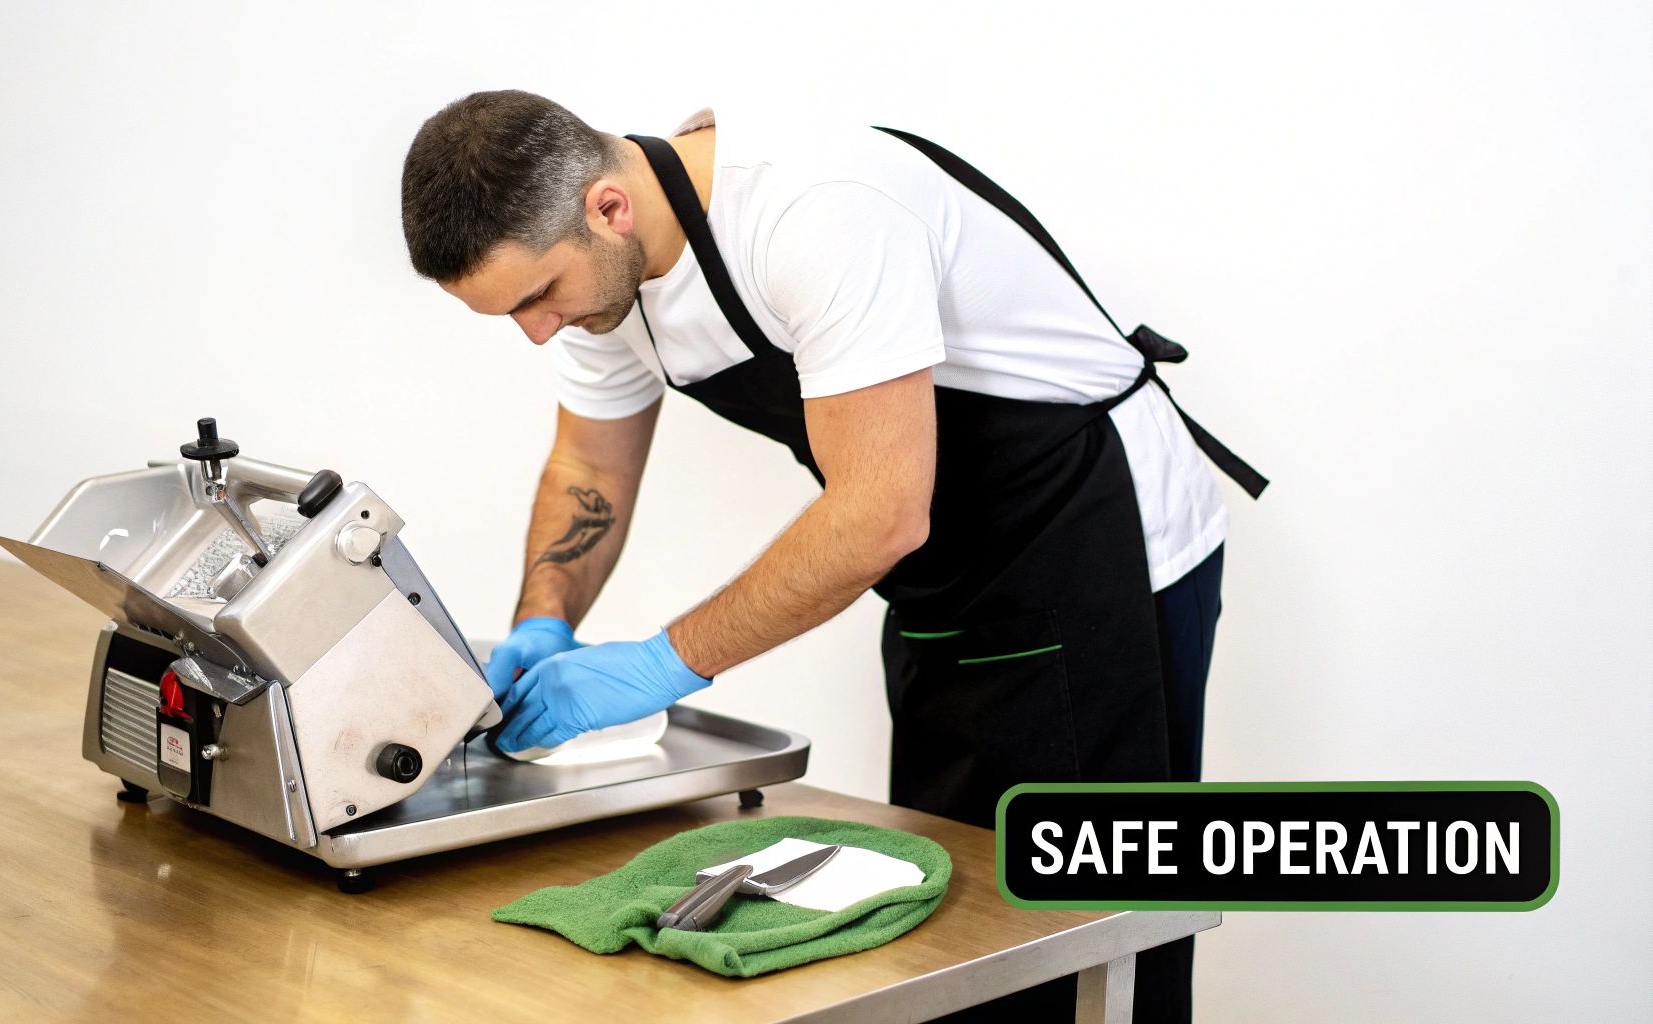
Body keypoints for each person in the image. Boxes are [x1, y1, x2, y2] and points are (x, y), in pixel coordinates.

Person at [400, 90, 1263, 1021]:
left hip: (1092, 538)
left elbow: (878, 514)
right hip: (948, 570)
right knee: (962, 908)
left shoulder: (815, 208)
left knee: (1082, 922)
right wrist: (546, 614)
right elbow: (587, 463)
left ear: (608, 206)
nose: (536, 331)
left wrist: (661, 664)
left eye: (536, 297)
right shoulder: (605, 284)